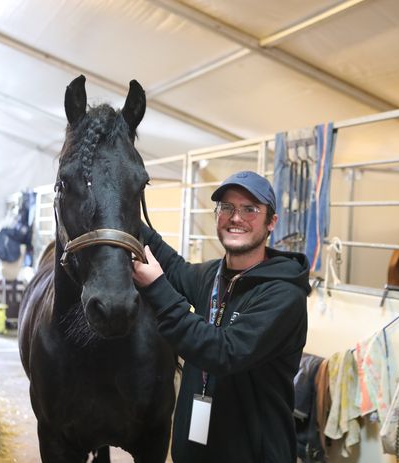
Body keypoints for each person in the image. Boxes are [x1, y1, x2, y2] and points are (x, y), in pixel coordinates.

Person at [132, 170, 311, 462]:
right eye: (226, 207)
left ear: (271, 222)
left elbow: (223, 352)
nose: (236, 217)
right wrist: (126, 211)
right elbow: (175, 268)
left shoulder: (284, 296)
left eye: (250, 209)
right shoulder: (212, 274)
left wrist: (155, 288)